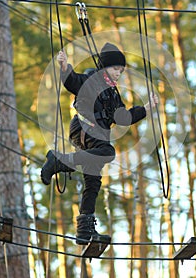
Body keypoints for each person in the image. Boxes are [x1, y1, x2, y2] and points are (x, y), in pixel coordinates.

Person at [41, 42, 158, 244]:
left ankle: (84, 230)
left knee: (93, 181)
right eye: (115, 69)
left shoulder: (113, 93)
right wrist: (64, 67)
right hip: (85, 129)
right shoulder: (92, 79)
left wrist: (146, 109)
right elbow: (73, 82)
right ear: (104, 67)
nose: (118, 74)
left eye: (121, 70)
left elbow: (123, 118)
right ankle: (59, 161)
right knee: (108, 152)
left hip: (95, 135)